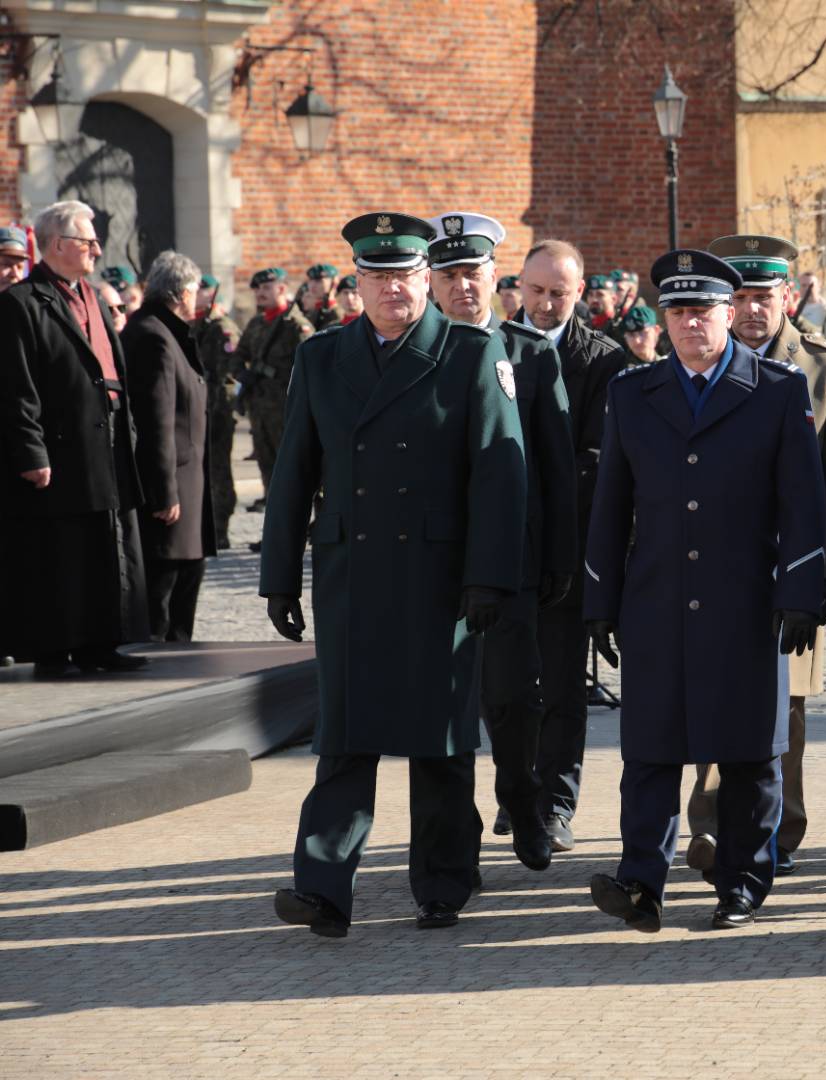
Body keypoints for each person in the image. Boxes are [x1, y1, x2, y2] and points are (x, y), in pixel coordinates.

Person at [263, 211, 526, 939]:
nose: (392, 290)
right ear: (358, 283)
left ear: (426, 280)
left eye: (405, 276)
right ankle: (323, 888)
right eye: (376, 278)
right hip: (353, 575)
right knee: (345, 736)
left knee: (438, 742)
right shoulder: (323, 358)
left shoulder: (471, 352)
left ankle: (442, 883)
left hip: (440, 580)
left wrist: (490, 577)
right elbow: (293, 472)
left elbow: (500, 477)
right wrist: (279, 576)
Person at [584, 248, 826, 932]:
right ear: (664, 319)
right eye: (679, 312)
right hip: (656, 598)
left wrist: (800, 592)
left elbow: (803, 503)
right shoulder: (633, 393)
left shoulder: (777, 389)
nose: (691, 324)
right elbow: (611, 506)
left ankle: (743, 882)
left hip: (746, 600)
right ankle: (641, 882)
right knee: (650, 750)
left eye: (704, 311)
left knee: (750, 751)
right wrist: (600, 600)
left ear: (729, 312)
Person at [686, 233, 826, 878]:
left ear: (789, 295)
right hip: (713, 564)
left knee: (787, 707)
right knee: (710, 692)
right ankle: (711, 828)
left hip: (792, 565)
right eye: (743, 297)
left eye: (766, 296)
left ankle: (779, 830)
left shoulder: (825, 365)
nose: (754, 309)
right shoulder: (700, 359)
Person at [427, 210, 576, 873]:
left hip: (515, 559)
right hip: (435, 560)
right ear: (432, 282)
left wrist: (562, 558)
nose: (463, 286)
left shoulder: (531, 354)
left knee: (515, 698)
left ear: (496, 279)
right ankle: (454, 840)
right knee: (445, 707)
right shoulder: (416, 353)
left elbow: (556, 467)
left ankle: (523, 800)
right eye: (450, 275)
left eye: (474, 273)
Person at [0, 199, 150, 675]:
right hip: (60, 448)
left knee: (105, 545)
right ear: (59, 244)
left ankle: (100, 644)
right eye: (88, 242)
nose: (97, 250)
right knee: (59, 554)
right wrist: (31, 451)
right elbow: (17, 386)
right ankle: (54, 651)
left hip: (104, 441)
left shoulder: (93, 297)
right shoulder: (22, 303)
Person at [510, 238, 626, 849]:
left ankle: (556, 802)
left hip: (567, 547)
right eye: (536, 290)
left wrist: (526, 487)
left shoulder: (603, 360)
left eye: (559, 292)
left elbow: (599, 458)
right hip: (503, 547)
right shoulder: (492, 346)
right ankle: (515, 791)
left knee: (560, 683)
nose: (546, 303)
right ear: (519, 287)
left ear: (579, 292)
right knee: (505, 684)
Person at [124, 251, 216, 642]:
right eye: (195, 289)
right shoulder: (153, 336)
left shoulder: (166, 331)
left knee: (185, 579)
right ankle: (164, 661)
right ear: (180, 292)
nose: (199, 297)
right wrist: (164, 491)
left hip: (185, 486)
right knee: (163, 596)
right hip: (170, 491)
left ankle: (179, 655)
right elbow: (155, 420)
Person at [235, 267, 314, 513]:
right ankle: (272, 512)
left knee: (289, 465)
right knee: (265, 461)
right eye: (258, 288)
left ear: (281, 288)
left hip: (285, 408)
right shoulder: (257, 323)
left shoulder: (296, 326)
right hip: (259, 407)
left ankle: (294, 518)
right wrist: (242, 374)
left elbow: (310, 369)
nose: (260, 293)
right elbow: (237, 355)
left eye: (266, 287)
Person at [192, 274, 240, 548]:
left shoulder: (222, 328)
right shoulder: (197, 324)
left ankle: (220, 526)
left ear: (211, 294)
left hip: (218, 410)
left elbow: (228, 376)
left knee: (219, 469)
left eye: (201, 290)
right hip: (200, 409)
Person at [299, 264, 341, 330]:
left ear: (334, 283)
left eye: (318, 281)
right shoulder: (311, 310)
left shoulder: (339, 313)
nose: (312, 285)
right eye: (310, 280)